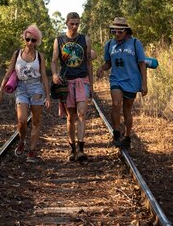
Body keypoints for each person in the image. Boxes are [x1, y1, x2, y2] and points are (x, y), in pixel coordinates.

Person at [0, 25, 50, 163]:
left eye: (33, 40)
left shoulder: (40, 56)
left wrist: (48, 96)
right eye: (28, 39)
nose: (30, 43)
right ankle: (22, 140)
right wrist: (0, 90)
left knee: (36, 121)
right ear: (24, 39)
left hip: (36, 87)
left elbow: (43, 76)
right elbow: (8, 73)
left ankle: (31, 151)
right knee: (22, 120)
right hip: (21, 88)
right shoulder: (17, 54)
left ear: (37, 41)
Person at [96, 17, 148, 148]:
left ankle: (128, 137)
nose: (117, 34)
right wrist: (102, 68)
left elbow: (142, 64)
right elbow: (108, 63)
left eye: (120, 31)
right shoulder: (109, 45)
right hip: (116, 79)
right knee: (116, 103)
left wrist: (144, 84)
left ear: (126, 31)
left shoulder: (135, 43)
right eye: (114, 31)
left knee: (127, 110)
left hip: (132, 81)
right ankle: (116, 133)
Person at [51, 12, 93, 162]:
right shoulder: (59, 40)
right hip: (67, 82)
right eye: (72, 23)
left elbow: (89, 63)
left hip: (82, 80)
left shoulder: (85, 39)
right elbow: (54, 61)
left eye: (77, 24)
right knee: (71, 117)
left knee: (82, 114)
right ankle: (72, 149)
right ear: (67, 23)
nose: (74, 27)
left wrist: (92, 86)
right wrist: (55, 74)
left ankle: (81, 150)